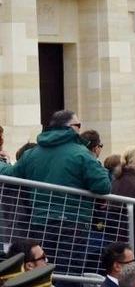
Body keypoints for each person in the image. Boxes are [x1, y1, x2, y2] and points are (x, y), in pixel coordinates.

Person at [8, 110, 111, 272]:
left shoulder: (31, 154)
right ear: (70, 127)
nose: (80, 129)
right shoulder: (81, 153)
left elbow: (11, 174)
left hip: (40, 222)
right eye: (78, 125)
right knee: (69, 273)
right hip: (73, 223)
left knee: (43, 272)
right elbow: (103, 186)